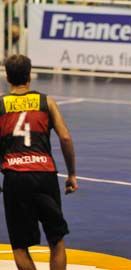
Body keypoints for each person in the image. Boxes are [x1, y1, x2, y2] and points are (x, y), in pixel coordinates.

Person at [0, 54, 78, 270]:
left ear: (7, 77)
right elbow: (65, 138)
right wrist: (71, 174)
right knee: (56, 240)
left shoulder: (1, 105)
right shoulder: (46, 102)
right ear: (29, 76)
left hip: (15, 178)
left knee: (19, 247)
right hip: (45, 175)